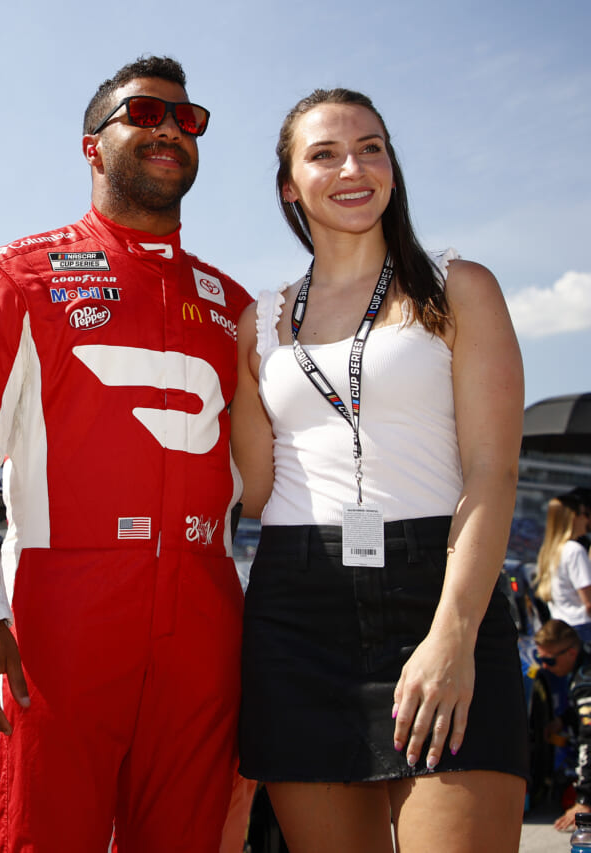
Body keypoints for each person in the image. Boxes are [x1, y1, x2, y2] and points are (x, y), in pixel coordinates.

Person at [0, 55, 251, 851]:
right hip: (60, 625)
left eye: (187, 118)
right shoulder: (16, 276)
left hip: (207, 626)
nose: (170, 128)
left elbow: (272, 482)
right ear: (90, 145)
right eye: (144, 113)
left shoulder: (238, 308)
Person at [230, 87, 528, 852]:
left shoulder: (460, 286)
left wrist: (452, 636)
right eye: (324, 153)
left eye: (371, 147)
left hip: (441, 588)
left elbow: (493, 472)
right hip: (296, 606)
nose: (353, 166)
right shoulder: (257, 322)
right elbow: (251, 489)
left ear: (392, 166)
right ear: (290, 185)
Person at [532, 619, 591, 829]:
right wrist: (564, 720)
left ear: (571, 653)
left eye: (550, 661)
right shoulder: (584, 661)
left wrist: (584, 801)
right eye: (540, 659)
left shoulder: (584, 682)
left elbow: (589, 741)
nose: (545, 666)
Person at [535, 492, 591, 643]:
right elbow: (588, 601)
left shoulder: (551, 551)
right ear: (573, 517)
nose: (587, 519)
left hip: (561, 628)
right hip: (583, 628)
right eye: (584, 514)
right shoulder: (575, 550)